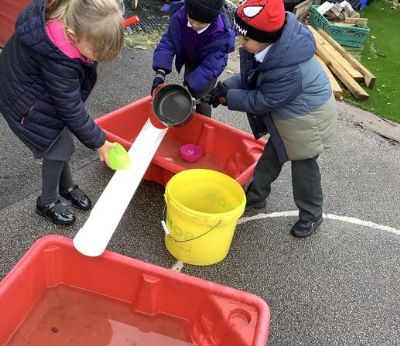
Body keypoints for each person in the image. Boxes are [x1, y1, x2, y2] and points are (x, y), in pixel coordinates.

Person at [206, 0, 337, 237]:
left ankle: (312, 215)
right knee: (269, 158)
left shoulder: (288, 69)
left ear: (264, 39)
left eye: (245, 39)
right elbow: (253, 79)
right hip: (286, 119)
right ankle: (256, 197)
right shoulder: (268, 49)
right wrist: (225, 87)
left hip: (308, 122)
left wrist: (230, 98)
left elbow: (263, 100)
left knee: (304, 172)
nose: (240, 43)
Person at [0, 0, 124, 226]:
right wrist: (100, 143)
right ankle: (47, 201)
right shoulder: (60, 59)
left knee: (62, 143)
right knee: (55, 148)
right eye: (94, 54)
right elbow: (71, 108)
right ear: (72, 34)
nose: (94, 60)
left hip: (32, 89)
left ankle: (65, 186)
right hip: (24, 105)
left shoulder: (68, 14)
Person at [151, 0, 235, 117]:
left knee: (201, 95)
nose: (195, 25)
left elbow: (212, 66)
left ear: (211, 20)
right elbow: (169, 41)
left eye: (200, 23)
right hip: (190, 57)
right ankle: (185, 115)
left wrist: (192, 84)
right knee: (189, 83)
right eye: (192, 20)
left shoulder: (221, 35)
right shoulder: (180, 17)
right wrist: (160, 71)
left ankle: (203, 121)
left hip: (208, 67)